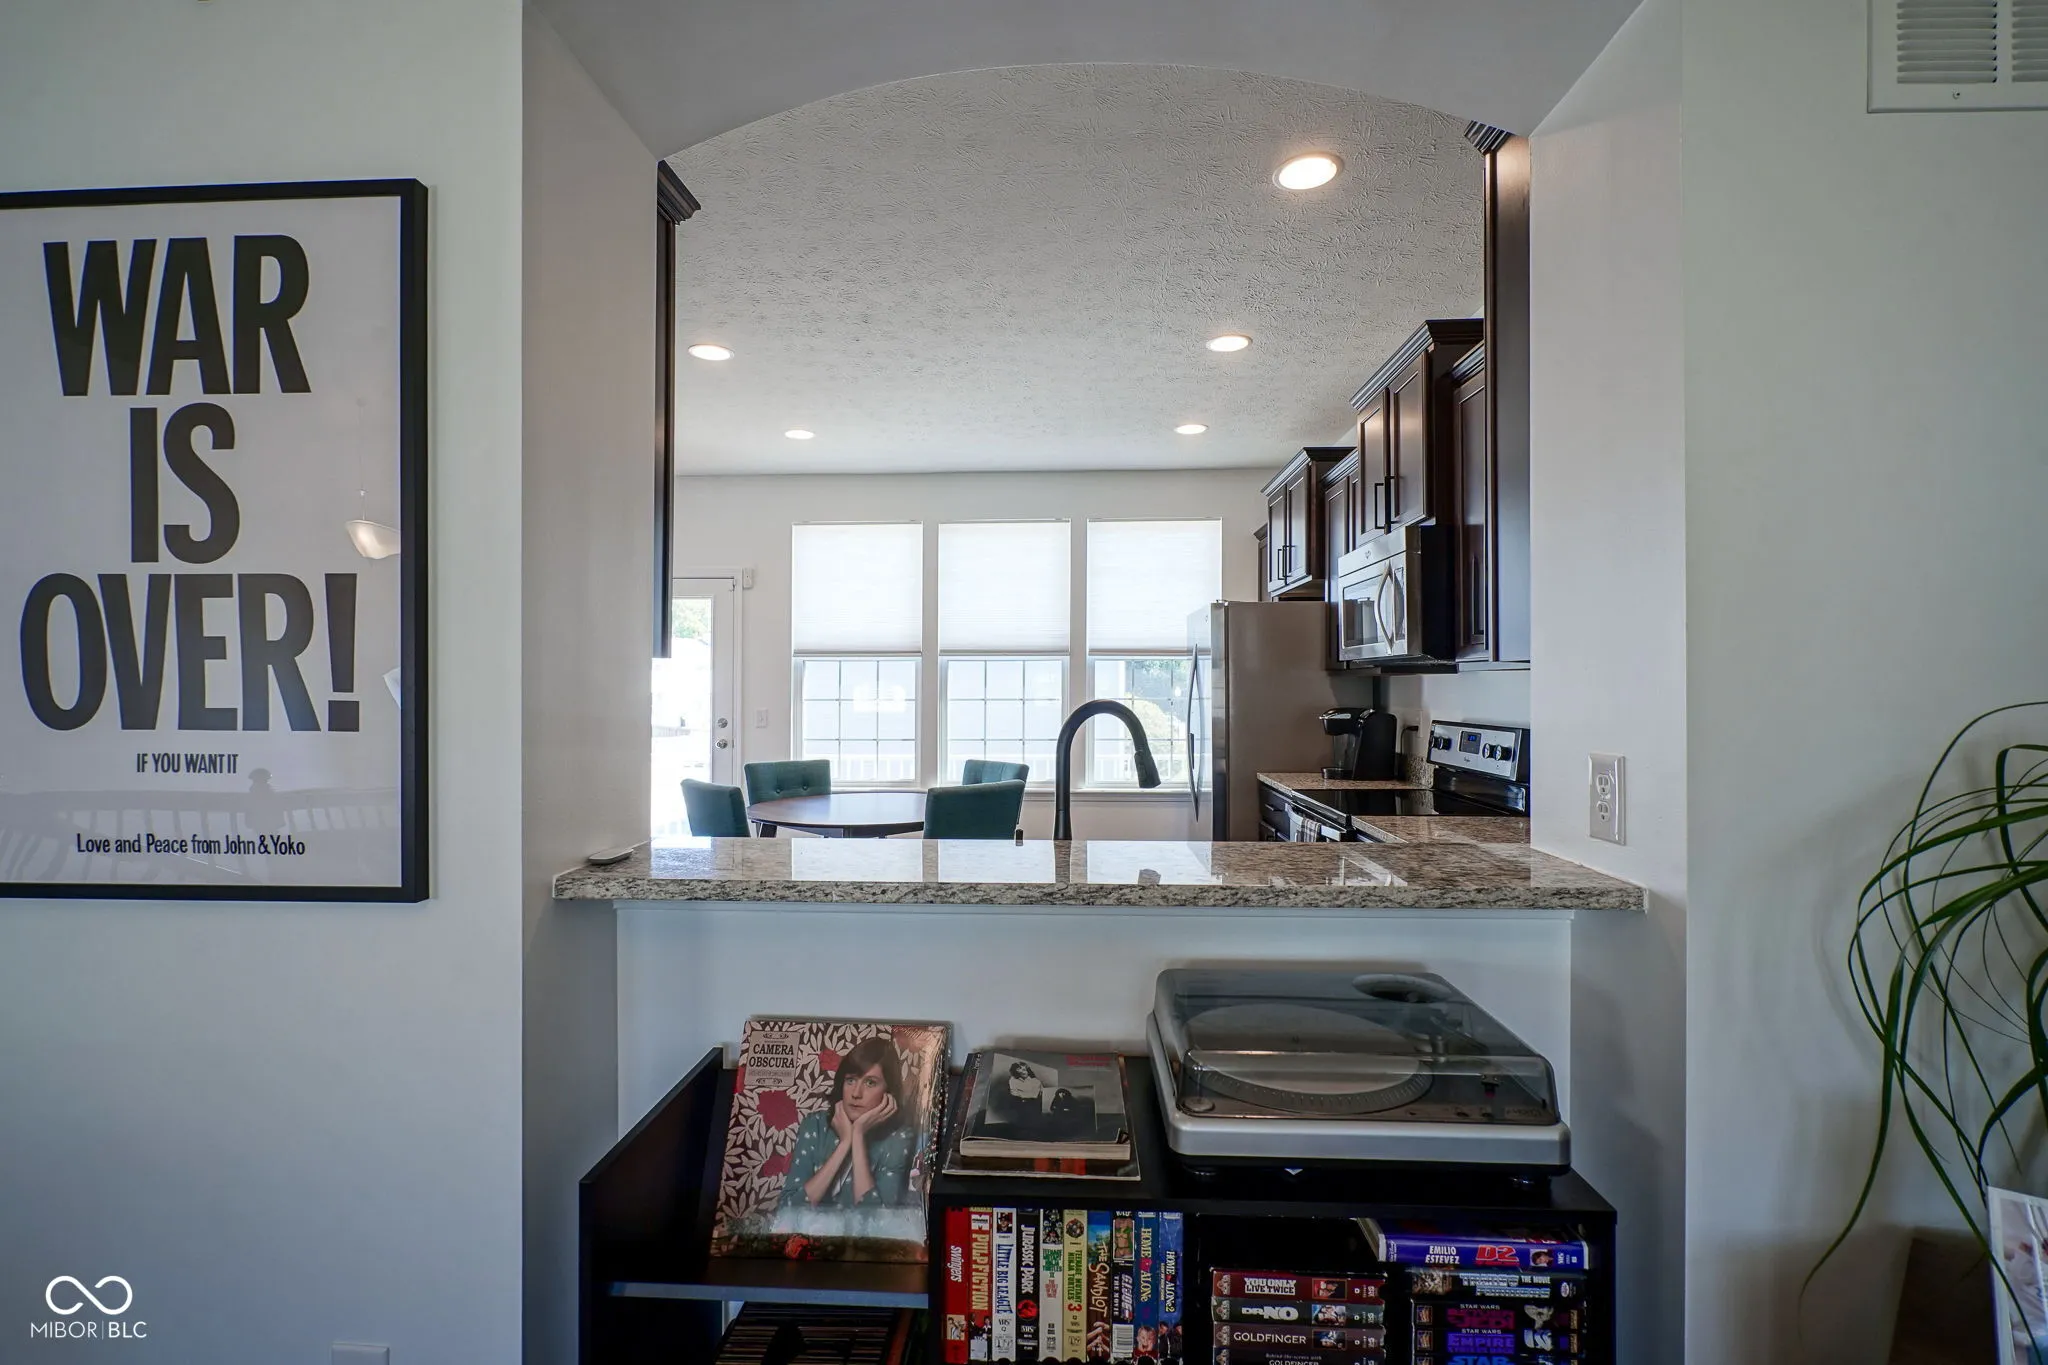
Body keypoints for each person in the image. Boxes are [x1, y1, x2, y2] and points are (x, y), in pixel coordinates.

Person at [780, 1037, 914, 1210]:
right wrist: (844, 1144)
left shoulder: (899, 1137)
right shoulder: (815, 1124)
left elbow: (877, 1220)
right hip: (807, 1229)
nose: (856, 1093)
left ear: (889, 1093)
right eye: (851, 1080)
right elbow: (787, 1210)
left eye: (870, 1083)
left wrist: (857, 1136)